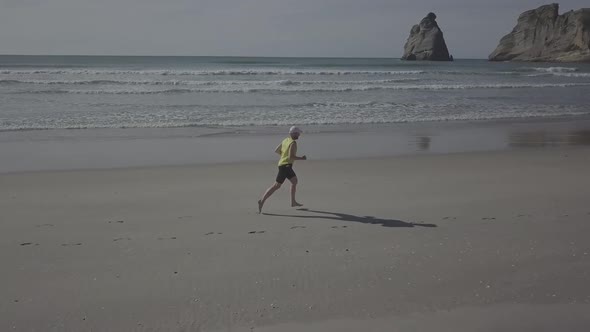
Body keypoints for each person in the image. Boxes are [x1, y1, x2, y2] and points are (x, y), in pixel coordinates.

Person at [258, 126, 307, 213]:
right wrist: (302, 158)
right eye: (298, 133)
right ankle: (262, 201)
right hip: (286, 166)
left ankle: (293, 202)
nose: (299, 135)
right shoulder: (293, 143)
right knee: (276, 186)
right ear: (294, 133)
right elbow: (291, 157)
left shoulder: (286, 140)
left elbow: (277, 150)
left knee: (293, 181)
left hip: (283, 165)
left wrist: (283, 156)